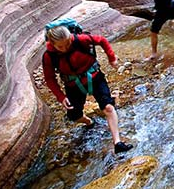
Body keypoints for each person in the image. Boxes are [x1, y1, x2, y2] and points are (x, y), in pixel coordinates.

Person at [42, 25, 133, 154]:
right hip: (73, 86)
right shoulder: (49, 56)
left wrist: (111, 58)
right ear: (52, 44)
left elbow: (101, 40)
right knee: (74, 116)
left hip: (95, 78)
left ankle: (117, 143)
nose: (65, 48)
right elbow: (50, 78)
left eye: (68, 44)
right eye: (60, 47)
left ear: (70, 38)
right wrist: (61, 97)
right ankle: (89, 122)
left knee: (108, 107)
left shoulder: (81, 40)